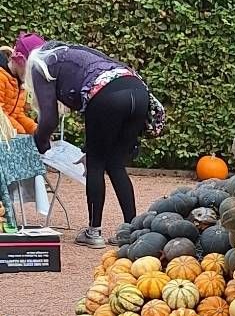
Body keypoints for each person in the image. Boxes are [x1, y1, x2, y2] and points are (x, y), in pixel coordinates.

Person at [10, 32, 155, 246]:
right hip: (139, 92)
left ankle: (93, 232)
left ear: (24, 58)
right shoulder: (66, 51)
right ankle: (130, 231)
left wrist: (39, 145)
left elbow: (49, 119)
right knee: (115, 163)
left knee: (94, 163)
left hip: (107, 96)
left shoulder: (39, 63)